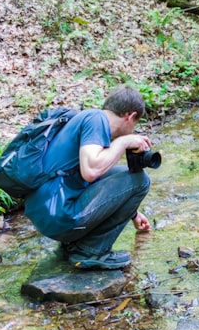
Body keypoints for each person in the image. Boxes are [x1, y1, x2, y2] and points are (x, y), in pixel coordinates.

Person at [24, 85, 153, 270]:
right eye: (135, 124)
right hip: (58, 216)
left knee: (120, 173)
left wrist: (132, 213)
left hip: (47, 213)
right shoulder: (96, 120)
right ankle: (91, 251)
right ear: (130, 116)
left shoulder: (84, 119)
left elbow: (93, 179)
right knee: (140, 180)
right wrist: (124, 142)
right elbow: (91, 171)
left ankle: (73, 246)